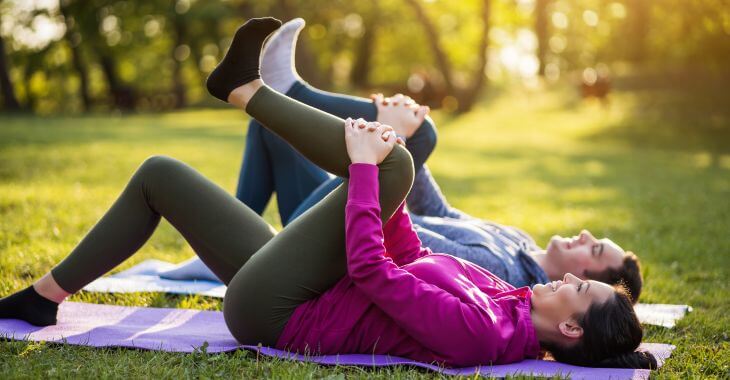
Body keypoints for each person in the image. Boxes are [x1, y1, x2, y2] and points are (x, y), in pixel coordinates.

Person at [0, 17, 656, 369]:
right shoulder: (510, 302)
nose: (567, 279)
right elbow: (404, 254)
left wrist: (372, 173)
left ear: (569, 325)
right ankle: (43, 297)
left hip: (277, 313)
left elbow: (373, 272)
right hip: (303, 286)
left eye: (580, 286)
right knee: (160, 174)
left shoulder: (482, 332)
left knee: (394, 167)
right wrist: (378, 180)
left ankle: (248, 90)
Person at [161, 18, 644, 303]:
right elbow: (441, 213)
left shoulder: (510, 275)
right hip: (330, 221)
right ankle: (214, 252)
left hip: (330, 235)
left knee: (424, 133)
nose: (585, 235)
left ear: (578, 281)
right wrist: (404, 143)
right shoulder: (518, 243)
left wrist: (400, 141)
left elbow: (404, 240)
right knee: (267, 126)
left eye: (594, 249)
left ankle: (289, 89)